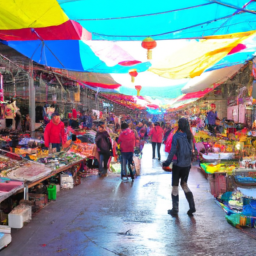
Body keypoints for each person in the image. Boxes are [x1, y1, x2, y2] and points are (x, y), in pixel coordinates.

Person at [162, 118, 196, 217]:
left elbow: (172, 151)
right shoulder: (190, 135)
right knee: (184, 184)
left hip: (177, 164)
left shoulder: (176, 136)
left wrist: (167, 162)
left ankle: (175, 209)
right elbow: (192, 150)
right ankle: (192, 206)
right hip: (187, 165)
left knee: (175, 186)